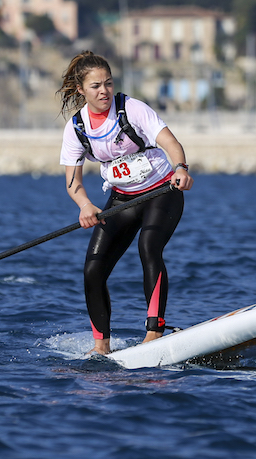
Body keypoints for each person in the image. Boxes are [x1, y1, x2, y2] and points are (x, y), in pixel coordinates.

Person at [58, 52, 193, 356]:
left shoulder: (131, 109)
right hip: (122, 200)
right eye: (95, 86)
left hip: (162, 192)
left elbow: (170, 142)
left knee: (149, 246)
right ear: (81, 90)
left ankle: (154, 333)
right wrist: (85, 205)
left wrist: (181, 168)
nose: (103, 91)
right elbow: (73, 182)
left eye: (108, 83)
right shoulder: (77, 128)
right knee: (93, 268)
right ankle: (101, 346)